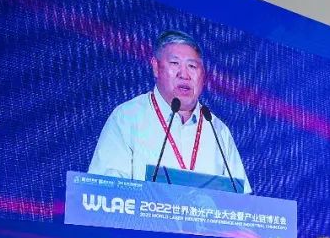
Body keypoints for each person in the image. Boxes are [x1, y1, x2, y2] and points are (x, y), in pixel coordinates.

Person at [88, 30, 252, 193]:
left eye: (192, 66)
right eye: (175, 63)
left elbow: (242, 200)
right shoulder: (127, 118)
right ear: (156, 67)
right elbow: (104, 192)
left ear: (203, 74)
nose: (184, 74)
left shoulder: (218, 130)